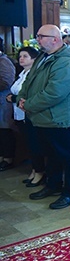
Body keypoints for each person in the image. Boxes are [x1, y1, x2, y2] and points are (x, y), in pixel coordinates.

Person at [18, 25, 70, 210]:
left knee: (66, 156)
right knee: (51, 154)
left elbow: (55, 93)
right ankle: (53, 185)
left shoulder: (67, 61)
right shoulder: (44, 57)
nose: (37, 39)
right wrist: (21, 97)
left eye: (41, 36)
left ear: (55, 39)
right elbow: (29, 80)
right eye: (37, 36)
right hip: (43, 116)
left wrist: (28, 104)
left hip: (60, 118)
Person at [7, 46, 45, 184]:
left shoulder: (33, 75)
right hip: (18, 114)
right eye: (20, 56)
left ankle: (40, 171)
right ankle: (34, 170)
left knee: (35, 144)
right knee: (28, 144)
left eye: (25, 56)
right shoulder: (22, 73)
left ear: (34, 59)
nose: (21, 59)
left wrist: (14, 98)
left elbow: (30, 95)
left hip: (28, 114)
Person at [0, 40, 17, 171]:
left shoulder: (4, 61)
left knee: (5, 130)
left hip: (4, 101)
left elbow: (6, 82)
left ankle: (8, 158)